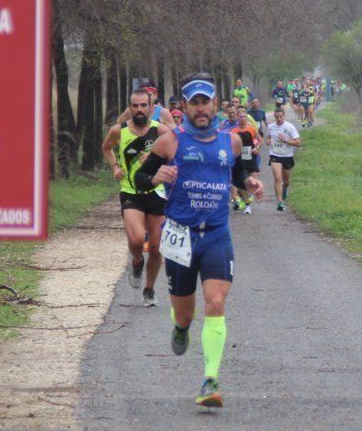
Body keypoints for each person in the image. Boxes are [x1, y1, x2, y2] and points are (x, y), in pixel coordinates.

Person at [136, 74, 264, 407]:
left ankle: (210, 380)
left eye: (205, 101)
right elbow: (140, 178)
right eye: (194, 103)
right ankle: (180, 328)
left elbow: (240, 172)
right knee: (184, 314)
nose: (200, 108)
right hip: (181, 235)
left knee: (217, 302)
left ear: (215, 104)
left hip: (217, 234)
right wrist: (156, 176)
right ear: (185, 107)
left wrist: (250, 183)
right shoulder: (170, 142)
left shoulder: (232, 141)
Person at [102, 89, 171, 307]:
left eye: (143, 105)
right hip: (131, 192)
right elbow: (106, 148)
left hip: (155, 192)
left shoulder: (160, 130)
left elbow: (178, 150)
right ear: (129, 108)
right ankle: (137, 261)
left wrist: (156, 157)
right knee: (136, 240)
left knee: (157, 247)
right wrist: (114, 166)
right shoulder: (119, 131)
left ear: (152, 108)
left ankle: (149, 290)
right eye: (135, 106)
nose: (139, 110)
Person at [266, 106, 301, 212]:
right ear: (274, 117)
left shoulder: (290, 127)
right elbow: (268, 137)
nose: (279, 119)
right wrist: (268, 141)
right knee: (277, 178)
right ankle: (280, 203)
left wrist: (285, 140)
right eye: (277, 117)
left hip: (287, 156)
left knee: (286, 181)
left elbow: (298, 143)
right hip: (275, 155)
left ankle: (284, 189)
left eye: (281, 117)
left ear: (284, 116)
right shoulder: (271, 127)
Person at [232, 106, 261, 214]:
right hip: (240, 160)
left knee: (253, 182)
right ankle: (248, 205)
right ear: (237, 118)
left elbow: (260, 140)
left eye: (244, 116)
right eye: (240, 116)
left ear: (247, 118)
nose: (242, 118)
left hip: (250, 157)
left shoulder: (251, 128)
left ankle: (246, 199)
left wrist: (256, 147)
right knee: (243, 183)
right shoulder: (233, 131)